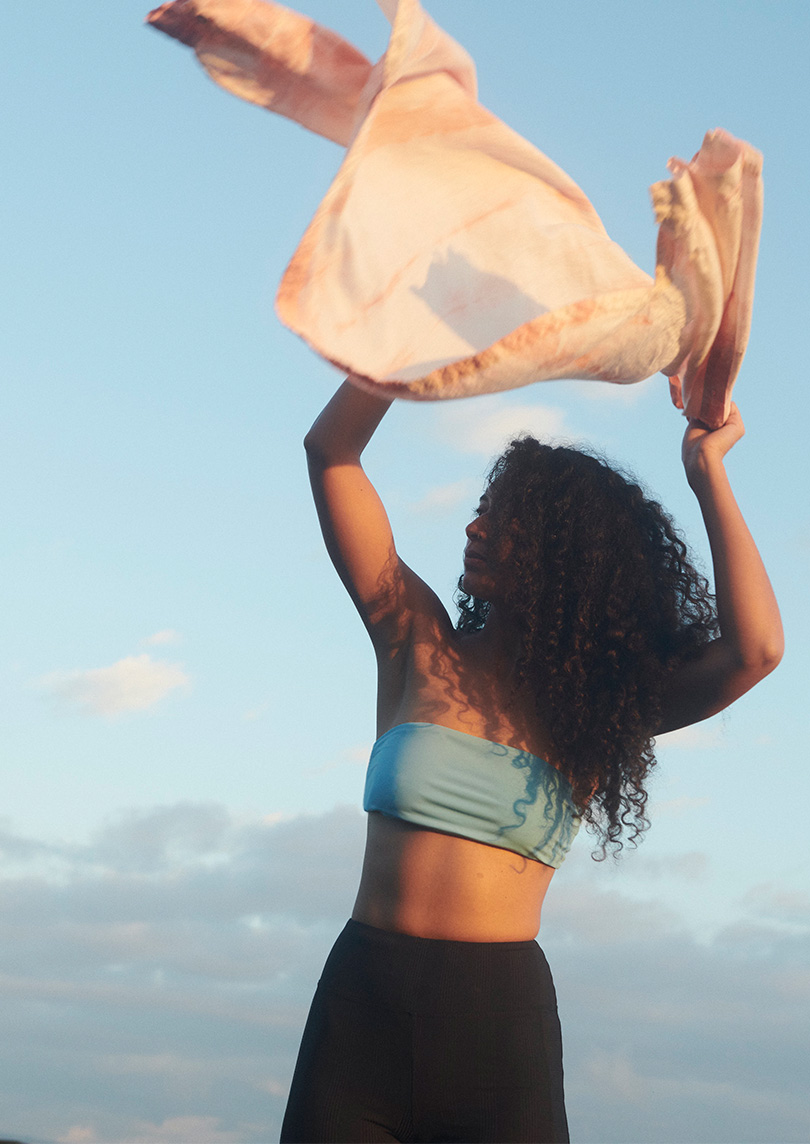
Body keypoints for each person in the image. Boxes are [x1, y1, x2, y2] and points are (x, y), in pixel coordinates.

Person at [280, 380, 783, 1144]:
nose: (477, 527)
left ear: (565, 558)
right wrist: (390, 361)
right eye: (486, 508)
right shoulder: (415, 639)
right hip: (360, 1012)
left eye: (508, 522)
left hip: (497, 1032)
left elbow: (755, 651)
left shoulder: (595, 714)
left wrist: (708, 469)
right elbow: (331, 454)